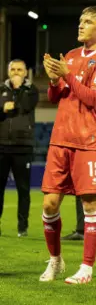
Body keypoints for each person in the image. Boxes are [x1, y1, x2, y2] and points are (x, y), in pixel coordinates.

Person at [39, 6, 96, 284]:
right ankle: (55, 260)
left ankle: (86, 268)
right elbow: (55, 96)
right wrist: (53, 80)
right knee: (49, 204)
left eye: (88, 21)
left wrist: (67, 75)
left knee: (89, 202)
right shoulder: (71, 56)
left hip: (89, 141)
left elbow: (94, 99)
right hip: (60, 139)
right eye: (80, 21)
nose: (81, 25)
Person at [0, 59, 39, 237]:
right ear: (8, 72)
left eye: (20, 70)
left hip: (23, 146)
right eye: (13, 69)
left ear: (25, 73)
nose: (16, 72)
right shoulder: (0, 89)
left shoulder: (31, 90)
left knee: (23, 190)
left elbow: (24, 107)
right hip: (1, 146)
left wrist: (15, 92)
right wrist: (3, 108)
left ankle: (22, 228)